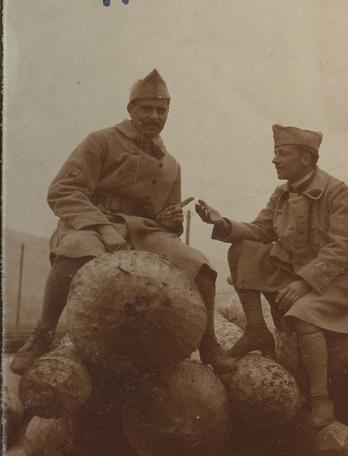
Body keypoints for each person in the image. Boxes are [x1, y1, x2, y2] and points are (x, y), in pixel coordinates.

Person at [10, 69, 236, 375]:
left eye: (161, 110)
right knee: (76, 251)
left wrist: (169, 221)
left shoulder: (171, 165)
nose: (154, 116)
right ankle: (42, 335)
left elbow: (169, 225)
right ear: (131, 110)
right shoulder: (101, 141)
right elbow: (63, 190)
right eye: (146, 109)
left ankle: (208, 343)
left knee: (199, 266)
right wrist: (102, 227)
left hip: (144, 230)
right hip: (92, 222)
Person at [195, 125, 348, 427]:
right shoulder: (282, 193)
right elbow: (260, 230)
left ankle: (320, 398)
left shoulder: (337, 192)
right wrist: (222, 222)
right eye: (276, 153)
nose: (275, 160)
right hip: (298, 270)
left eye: (281, 153)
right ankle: (255, 329)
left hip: (338, 278)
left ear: (306, 158)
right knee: (243, 248)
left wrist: (304, 283)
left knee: (302, 313)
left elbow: (343, 247)